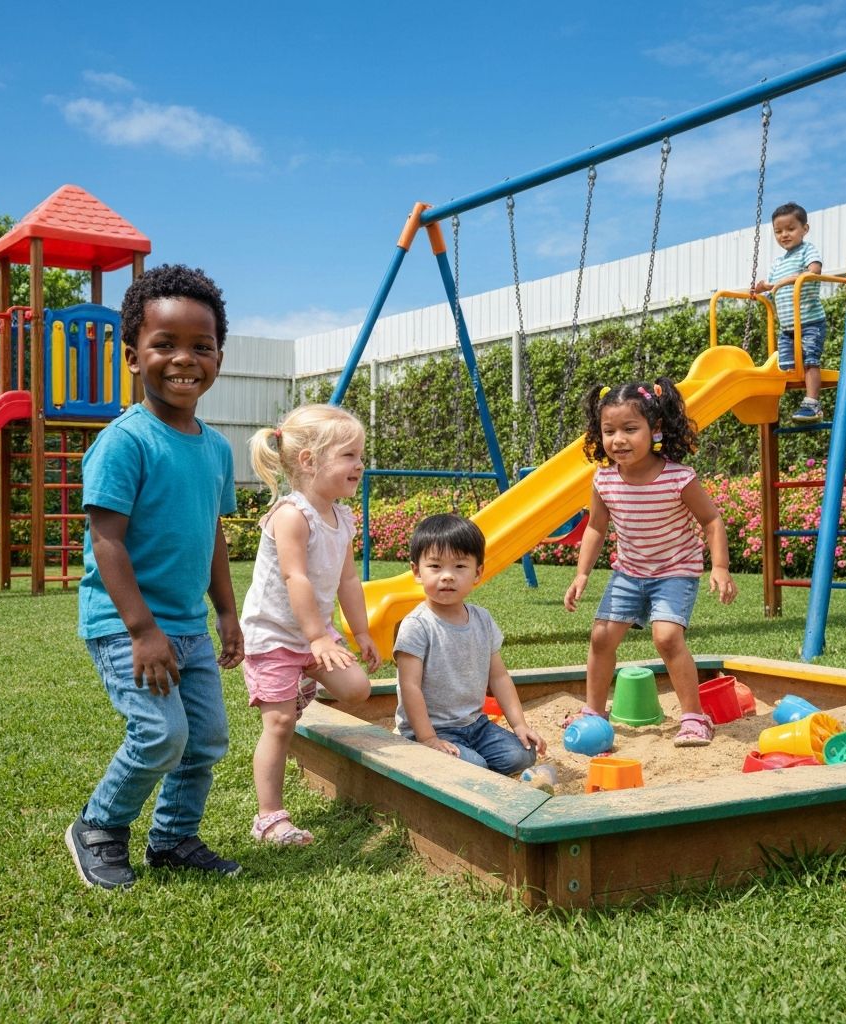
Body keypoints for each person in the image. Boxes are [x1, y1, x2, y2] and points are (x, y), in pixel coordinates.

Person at [66, 264, 244, 890]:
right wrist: (142, 629)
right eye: (164, 344)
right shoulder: (125, 442)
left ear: (219, 354)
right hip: (128, 624)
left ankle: (172, 839)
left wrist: (226, 610)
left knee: (206, 740)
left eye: (201, 345)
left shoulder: (217, 448)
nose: (183, 359)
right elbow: (106, 539)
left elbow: (212, 535)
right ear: (133, 356)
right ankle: (98, 826)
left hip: (190, 625)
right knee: (160, 734)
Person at [563, 380, 737, 747]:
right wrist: (581, 574)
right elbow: (596, 526)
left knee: (667, 637)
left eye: (630, 429)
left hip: (675, 571)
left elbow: (711, 520)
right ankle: (594, 712)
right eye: (609, 431)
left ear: (654, 430)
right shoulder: (604, 478)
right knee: (601, 637)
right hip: (629, 572)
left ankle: (694, 717)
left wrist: (719, 566)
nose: (618, 440)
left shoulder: (679, 477)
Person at [240, 405, 380, 845]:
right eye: (349, 456)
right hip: (276, 636)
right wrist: (318, 635)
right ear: (308, 462)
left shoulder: (344, 518)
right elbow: (294, 577)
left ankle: (300, 683)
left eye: (360, 454)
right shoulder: (291, 515)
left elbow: (348, 579)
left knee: (357, 689)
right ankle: (269, 818)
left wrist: (359, 632)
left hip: (314, 634)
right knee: (279, 725)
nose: (359, 464)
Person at [393, 513, 547, 774]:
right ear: (417, 572)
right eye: (435, 566)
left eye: (460, 567)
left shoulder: (482, 619)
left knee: (523, 754)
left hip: (476, 725)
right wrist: (428, 738)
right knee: (474, 765)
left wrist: (519, 725)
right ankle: (432, 753)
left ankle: (470, 762)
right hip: (431, 728)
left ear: (478, 573)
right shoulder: (417, 625)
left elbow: (499, 677)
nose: (448, 576)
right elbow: (410, 687)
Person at [754, 201, 827, 423]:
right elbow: (773, 289)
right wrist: (761, 290)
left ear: (804, 229)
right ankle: (788, 404)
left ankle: (813, 403)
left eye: (790, 229)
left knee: (809, 361)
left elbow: (814, 271)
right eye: (779, 231)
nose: (784, 234)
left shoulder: (807, 250)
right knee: (785, 367)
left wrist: (787, 280)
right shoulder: (777, 263)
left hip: (810, 322)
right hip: (787, 328)